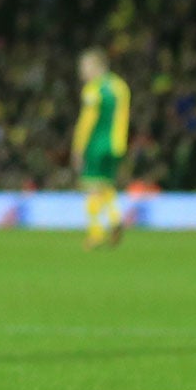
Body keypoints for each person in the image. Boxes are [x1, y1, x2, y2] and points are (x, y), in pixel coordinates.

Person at [73, 47, 131, 248]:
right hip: (117, 144)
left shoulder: (93, 89)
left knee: (91, 187)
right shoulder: (120, 86)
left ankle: (95, 233)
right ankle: (115, 219)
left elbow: (87, 121)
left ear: (96, 66)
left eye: (84, 67)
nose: (82, 72)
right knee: (106, 184)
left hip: (97, 142)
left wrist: (78, 147)